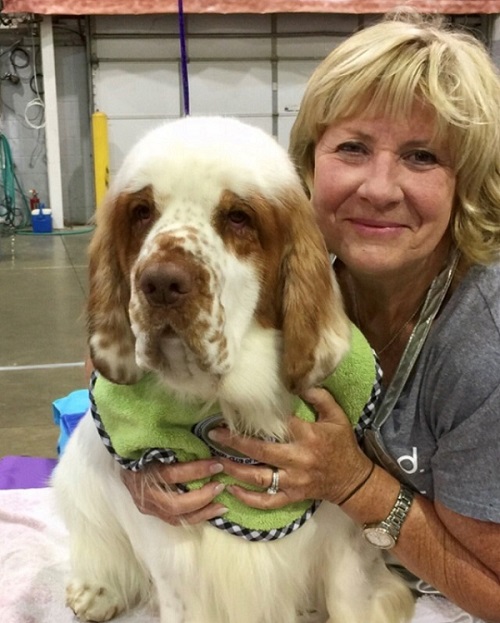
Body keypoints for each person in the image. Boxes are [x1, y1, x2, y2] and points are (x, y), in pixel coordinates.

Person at [121, 13, 500, 622]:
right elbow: (114, 364)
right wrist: (135, 468)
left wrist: (355, 484)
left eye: (422, 156)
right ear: (309, 165)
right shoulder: (283, 263)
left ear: (470, 185)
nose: (379, 188)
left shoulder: (484, 348)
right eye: (352, 147)